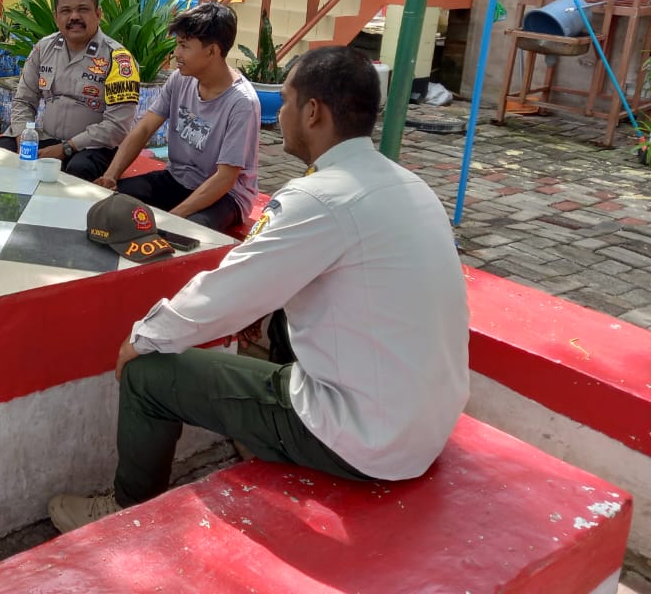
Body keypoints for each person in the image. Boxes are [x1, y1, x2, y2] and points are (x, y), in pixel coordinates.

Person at [48, 46, 469, 531]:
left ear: (313, 112)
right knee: (269, 334)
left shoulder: (317, 198)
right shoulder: (407, 185)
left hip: (363, 439)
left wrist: (142, 338)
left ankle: (126, 510)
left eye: (287, 102)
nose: (281, 115)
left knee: (150, 375)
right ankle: (261, 438)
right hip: (427, 422)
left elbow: (226, 291)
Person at [97, 2, 260, 232]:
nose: (177, 53)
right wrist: (110, 177)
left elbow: (225, 178)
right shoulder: (180, 79)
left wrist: (174, 216)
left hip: (226, 196)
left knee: (186, 231)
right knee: (111, 202)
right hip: (177, 179)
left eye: (184, 46)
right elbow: (144, 129)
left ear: (212, 51)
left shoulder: (242, 103)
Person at [0, 0, 140, 181]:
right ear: (56, 17)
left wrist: (66, 148)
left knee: (79, 169)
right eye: (66, 11)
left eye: (83, 9)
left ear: (98, 14)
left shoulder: (118, 59)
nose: (74, 17)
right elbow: (24, 101)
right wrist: (23, 140)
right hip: (47, 140)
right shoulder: (44, 48)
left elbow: (117, 126)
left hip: (93, 148)